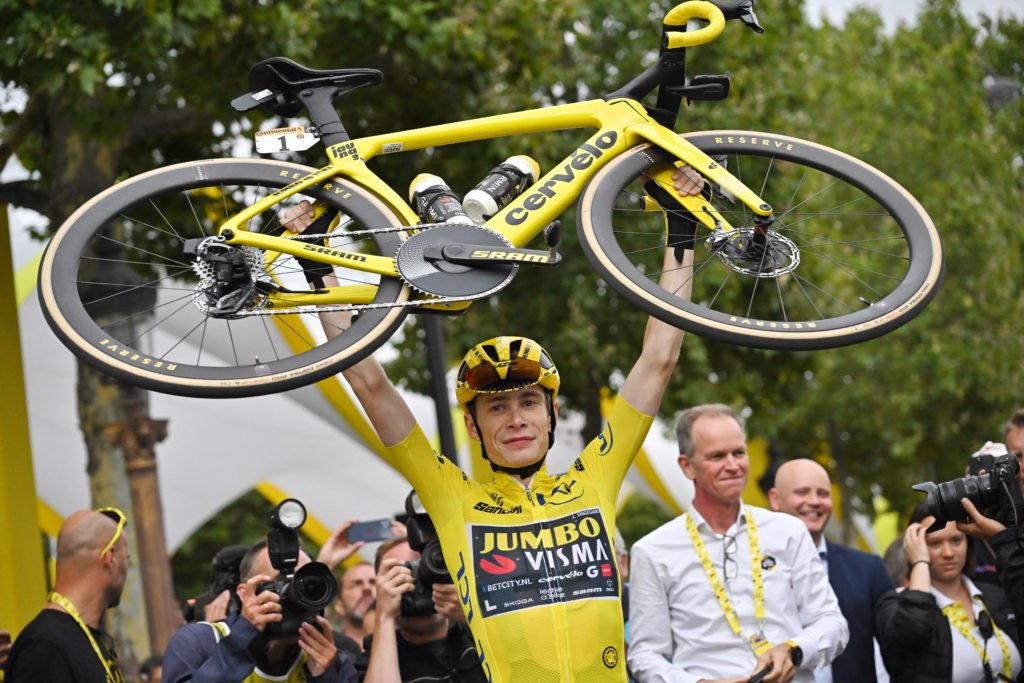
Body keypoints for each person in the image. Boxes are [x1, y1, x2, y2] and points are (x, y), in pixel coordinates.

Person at [288, 166, 701, 682]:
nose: (515, 419)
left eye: (529, 402)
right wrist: (314, 260)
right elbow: (369, 383)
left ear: (552, 411)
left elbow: (659, 357)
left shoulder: (594, 479)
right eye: (496, 407)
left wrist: (680, 225)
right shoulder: (451, 497)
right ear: (473, 423)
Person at [627, 405, 848, 683]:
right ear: (687, 466)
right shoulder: (654, 550)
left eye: (739, 453)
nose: (733, 466)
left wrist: (793, 650)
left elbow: (833, 623)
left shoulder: (788, 531)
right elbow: (645, 654)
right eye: (717, 456)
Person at [162, 538, 357, 683]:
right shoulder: (199, 642)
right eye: (280, 583)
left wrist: (328, 678)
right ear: (244, 593)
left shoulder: (327, 658)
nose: (294, 594)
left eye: (303, 584)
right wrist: (242, 640)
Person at [768, 458, 893, 683]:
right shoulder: (749, 568)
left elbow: (900, 647)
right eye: (802, 492)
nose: (814, 501)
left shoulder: (867, 569)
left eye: (823, 494)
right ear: (775, 499)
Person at [874, 502, 1022, 683]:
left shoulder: (997, 595)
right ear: (915, 544)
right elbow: (910, 630)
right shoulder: (896, 603)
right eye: (935, 543)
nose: (948, 553)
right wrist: (919, 562)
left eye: (956, 540)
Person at [5, 507, 131, 682]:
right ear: (110, 558)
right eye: (127, 558)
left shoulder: (87, 640)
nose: (127, 570)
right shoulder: (45, 648)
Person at [358, 536, 485, 682]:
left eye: (425, 568)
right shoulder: (375, 658)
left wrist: (473, 615)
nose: (417, 582)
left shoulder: (474, 634)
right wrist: (384, 616)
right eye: (400, 574)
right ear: (381, 590)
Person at [332, 562, 377, 651]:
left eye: (373, 582)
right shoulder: (329, 648)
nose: (367, 588)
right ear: (339, 606)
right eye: (356, 584)